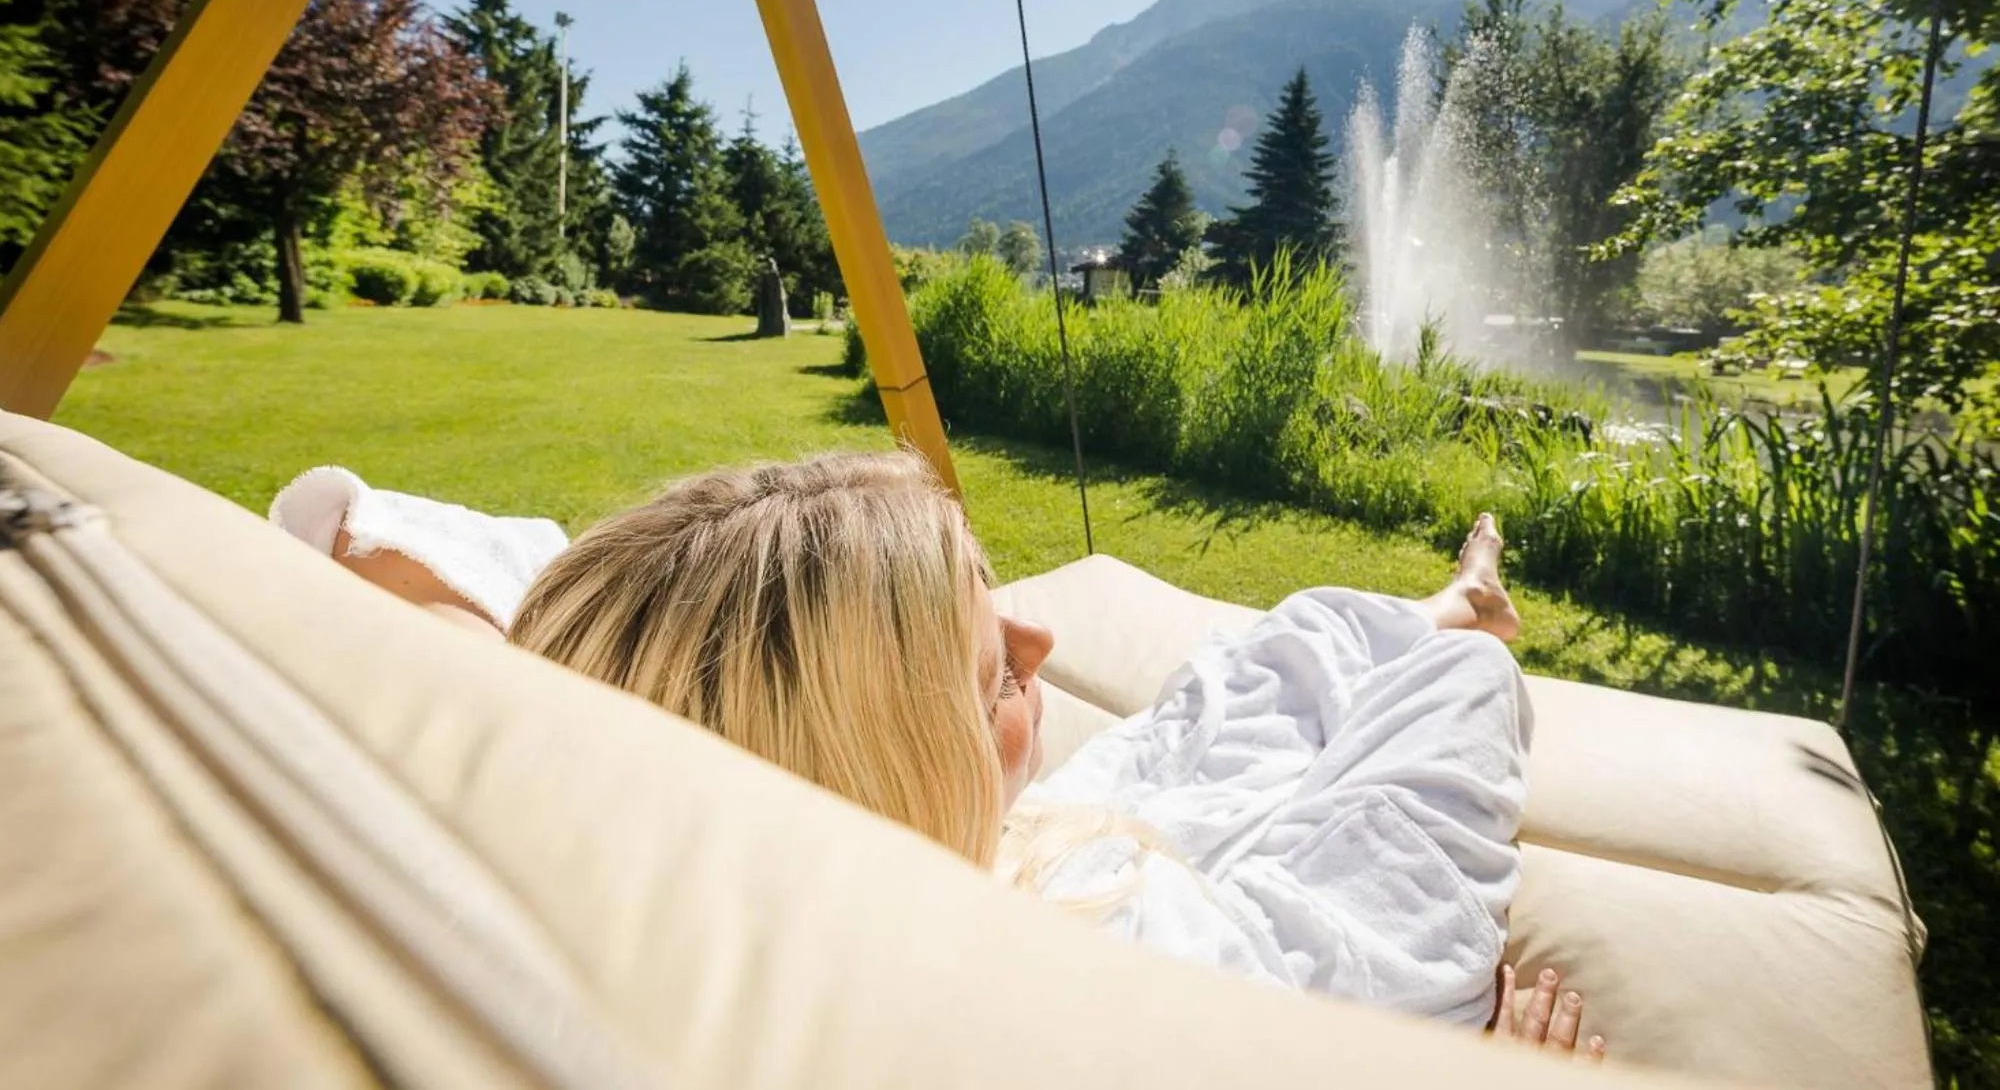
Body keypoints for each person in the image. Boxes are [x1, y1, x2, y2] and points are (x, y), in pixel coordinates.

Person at [289, 450, 1601, 1059]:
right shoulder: (1118, 1001)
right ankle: (1460, 616)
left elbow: (342, 522)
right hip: (1105, 901)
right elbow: (1369, 999)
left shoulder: (625, 750)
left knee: (1292, 643)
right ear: (887, 776)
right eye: (992, 676)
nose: (1042, 631)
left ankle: (1440, 600)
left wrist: (491, 667)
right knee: (1458, 683)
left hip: (1031, 839)